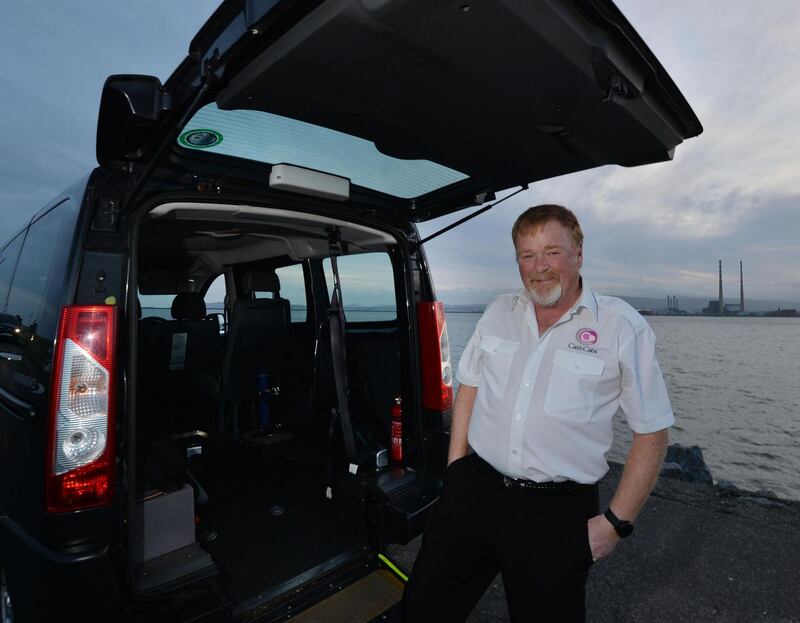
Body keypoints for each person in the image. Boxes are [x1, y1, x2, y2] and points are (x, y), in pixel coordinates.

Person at [402, 204, 673, 622]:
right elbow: (470, 384)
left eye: (552, 252)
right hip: (474, 492)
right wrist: (456, 467)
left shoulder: (622, 328)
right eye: (527, 256)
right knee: (423, 610)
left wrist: (616, 524)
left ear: (579, 254)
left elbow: (652, 432)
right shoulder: (498, 313)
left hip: (556, 513)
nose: (539, 267)